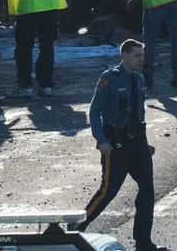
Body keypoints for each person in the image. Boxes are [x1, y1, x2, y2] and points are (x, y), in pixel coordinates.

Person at [69, 39, 168, 251]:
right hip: (116, 145)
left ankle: (143, 242)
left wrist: (146, 144)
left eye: (142, 55)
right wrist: (101, 141)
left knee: (147, 192)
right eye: (137, 56)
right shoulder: (109, 79)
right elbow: (94, 111)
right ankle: (74, 228)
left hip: (138, 144)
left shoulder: (139, 78)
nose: (142, 60)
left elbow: (138, 113)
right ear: (124, 56)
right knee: (108, 191)